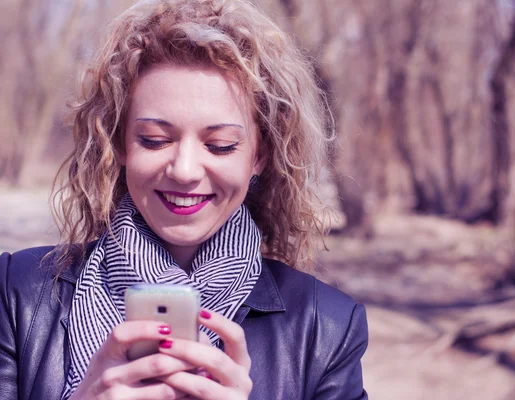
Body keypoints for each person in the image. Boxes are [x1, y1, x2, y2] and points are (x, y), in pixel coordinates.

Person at [0, 0, 368, 399]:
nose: (185, 170)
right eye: (154, 140)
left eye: (221, 145)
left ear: (259, 155)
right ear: (120, 145)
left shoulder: (327, 328)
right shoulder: (17, 293)